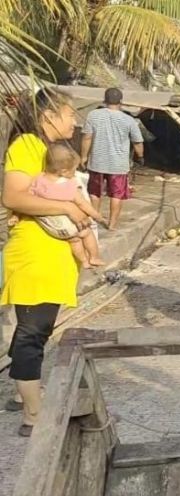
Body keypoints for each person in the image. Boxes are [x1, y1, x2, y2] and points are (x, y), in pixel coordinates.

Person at [2, 88, 90, 436]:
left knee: (37, 328)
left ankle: (25, 391)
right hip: (35, 257)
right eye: (70, 113)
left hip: (52, 258)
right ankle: (33, 416)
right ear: (48, 116)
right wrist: (68, 207)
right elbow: (13, 196)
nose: (74, 120)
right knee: (32, 333)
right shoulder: (27, 145)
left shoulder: (49, 151)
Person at [30, 145, 107, 268]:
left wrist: (16, 217)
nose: (75, 173)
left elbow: (29, 196)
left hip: (53, 227)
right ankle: (94, 257)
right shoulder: (68, 185)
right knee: (87, 233)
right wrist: (97, 216)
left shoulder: (38, 180)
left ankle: (84, 261)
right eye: (74, 170)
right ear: (64, 171)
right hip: (72, 225)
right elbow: (82, 203)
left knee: (74, 240)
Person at [80, 87, 144, 230]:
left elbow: (87, 137)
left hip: (97, 162)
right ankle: (112, 224)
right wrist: (141, 156)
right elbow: (138, 142)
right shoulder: (129, 120)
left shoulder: (93, 115)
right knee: (117, 194)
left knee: (95, 192)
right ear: (121, 102)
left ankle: (94, 220)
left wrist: (83, 156)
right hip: (118, 165)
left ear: (104, 100)